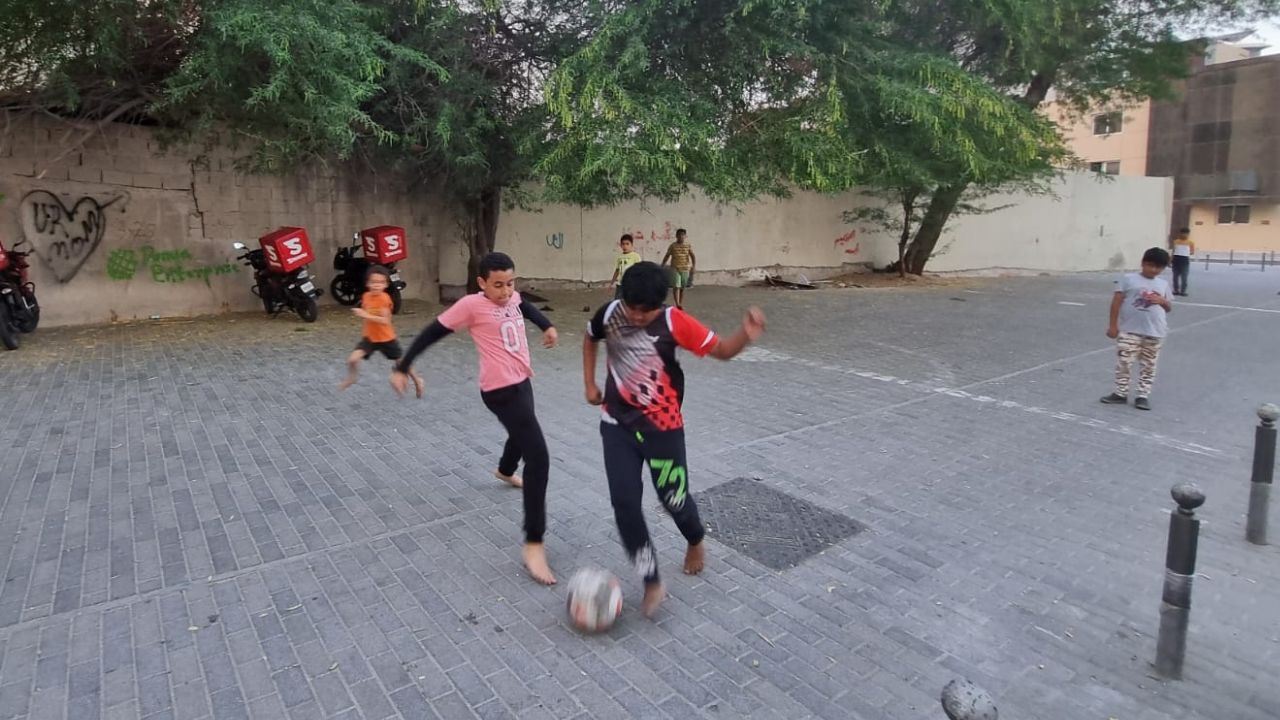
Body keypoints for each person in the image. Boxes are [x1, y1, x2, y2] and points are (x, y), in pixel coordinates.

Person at [582, 261, 765, 616]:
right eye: (631, 308)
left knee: (673, 500)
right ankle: (650, 579)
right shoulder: (610, 313)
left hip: (662, 430)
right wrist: (589, 383)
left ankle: (695, 538)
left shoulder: (674, 321)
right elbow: (590, 337)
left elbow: (723, 350)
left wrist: (746, 334)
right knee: (624, 503)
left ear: (660, 304)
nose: (636, 316)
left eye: (645, 311)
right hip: (616, 425)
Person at [390, 252, 560, 584]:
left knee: (522, 431)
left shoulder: (513, 297)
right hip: (499, 390)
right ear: (481, 282)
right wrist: (402, 364)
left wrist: (548, 326)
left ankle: (505, 470)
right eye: (497, 285)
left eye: (510, 283)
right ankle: (534, 543)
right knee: (538, 456)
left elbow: (525, 307)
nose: (506, 291)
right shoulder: (470, 306)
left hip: (522, 381)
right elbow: (431, 332)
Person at [1100, 247, 1172, 411]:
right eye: (1150, 265)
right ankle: (1120, 393)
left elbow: (1168, 307)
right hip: (1129, 330)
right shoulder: (1128, 279)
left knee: (1149, 365)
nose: (1154, 270)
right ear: (1143, 263)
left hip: (1155, 332)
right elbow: (1116, 301)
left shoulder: (1163, 284)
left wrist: (1162, 301)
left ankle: (1143, 395)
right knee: (1124, 362)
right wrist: (1113, 325)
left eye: (1158, 268)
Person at [338, 265, 425, 396]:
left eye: (380, 282)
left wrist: (365, 315)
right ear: (368, 283)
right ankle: (352, 377)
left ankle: (418, 380)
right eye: (373, 282)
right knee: (352, 360)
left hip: (386, 338)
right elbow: (366, 309)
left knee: (402, 363)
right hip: (370, 338)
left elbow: (385, 320)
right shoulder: (366, 296)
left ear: (385, 284)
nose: (376, 285)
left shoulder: (385, 299)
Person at [660, 228, 696, 309]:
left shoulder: (688, 245)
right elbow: (667, 256)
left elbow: (692, 256)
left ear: (685, 236)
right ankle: (677, 303)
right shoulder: (673, 246)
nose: (681, 237)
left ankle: (680, 302)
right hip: (675, 268)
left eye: (683, 235)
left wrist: (693, 266)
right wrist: (662, 265)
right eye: (679, 235)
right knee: (676, 286)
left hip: (685, 268)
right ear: (676, 236)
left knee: (682, 287)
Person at [608, 234, 642, 299]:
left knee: (630, 302)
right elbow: (617, 270)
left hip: (631, 285)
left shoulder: (635, 256)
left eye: (627, 244)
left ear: (631, 245)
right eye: (623, 244)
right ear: (620, 245)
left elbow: (639, 270)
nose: (625, 246)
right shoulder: (620, 257)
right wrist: (612, 283)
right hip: (620, 285)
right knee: (618, 301)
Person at [1170, 227, 1194, 297]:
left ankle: (1183, 291)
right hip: (1176, 260)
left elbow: (1192, 252)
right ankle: (1176, 290)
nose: (1184, 235)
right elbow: (1173, 251)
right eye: (1183, 233)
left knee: (1184, 277)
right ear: (1180, 234)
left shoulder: (1190, 243)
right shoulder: (1176, 241)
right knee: (1175, 277)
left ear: (1188, 234)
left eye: (1186, 234)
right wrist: (1170, 260)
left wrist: (1186, 251)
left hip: (1185, 260)